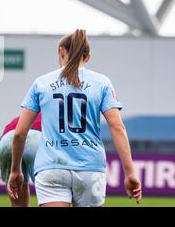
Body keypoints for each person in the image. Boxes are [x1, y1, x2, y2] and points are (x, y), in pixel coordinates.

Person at [7, 29, 142, 207]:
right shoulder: (102, 83)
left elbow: (20, 133)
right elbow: (117, 128)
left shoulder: (42, 83)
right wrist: (130, 172)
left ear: (61, 51)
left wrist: (16, 170)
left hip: (51, 167)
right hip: (90, 169)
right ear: (88, 57)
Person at [0, 113, 42, 207]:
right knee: (51, 196)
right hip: (36, 137)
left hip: (6, 140)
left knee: (17, 203)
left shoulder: (28, 112)